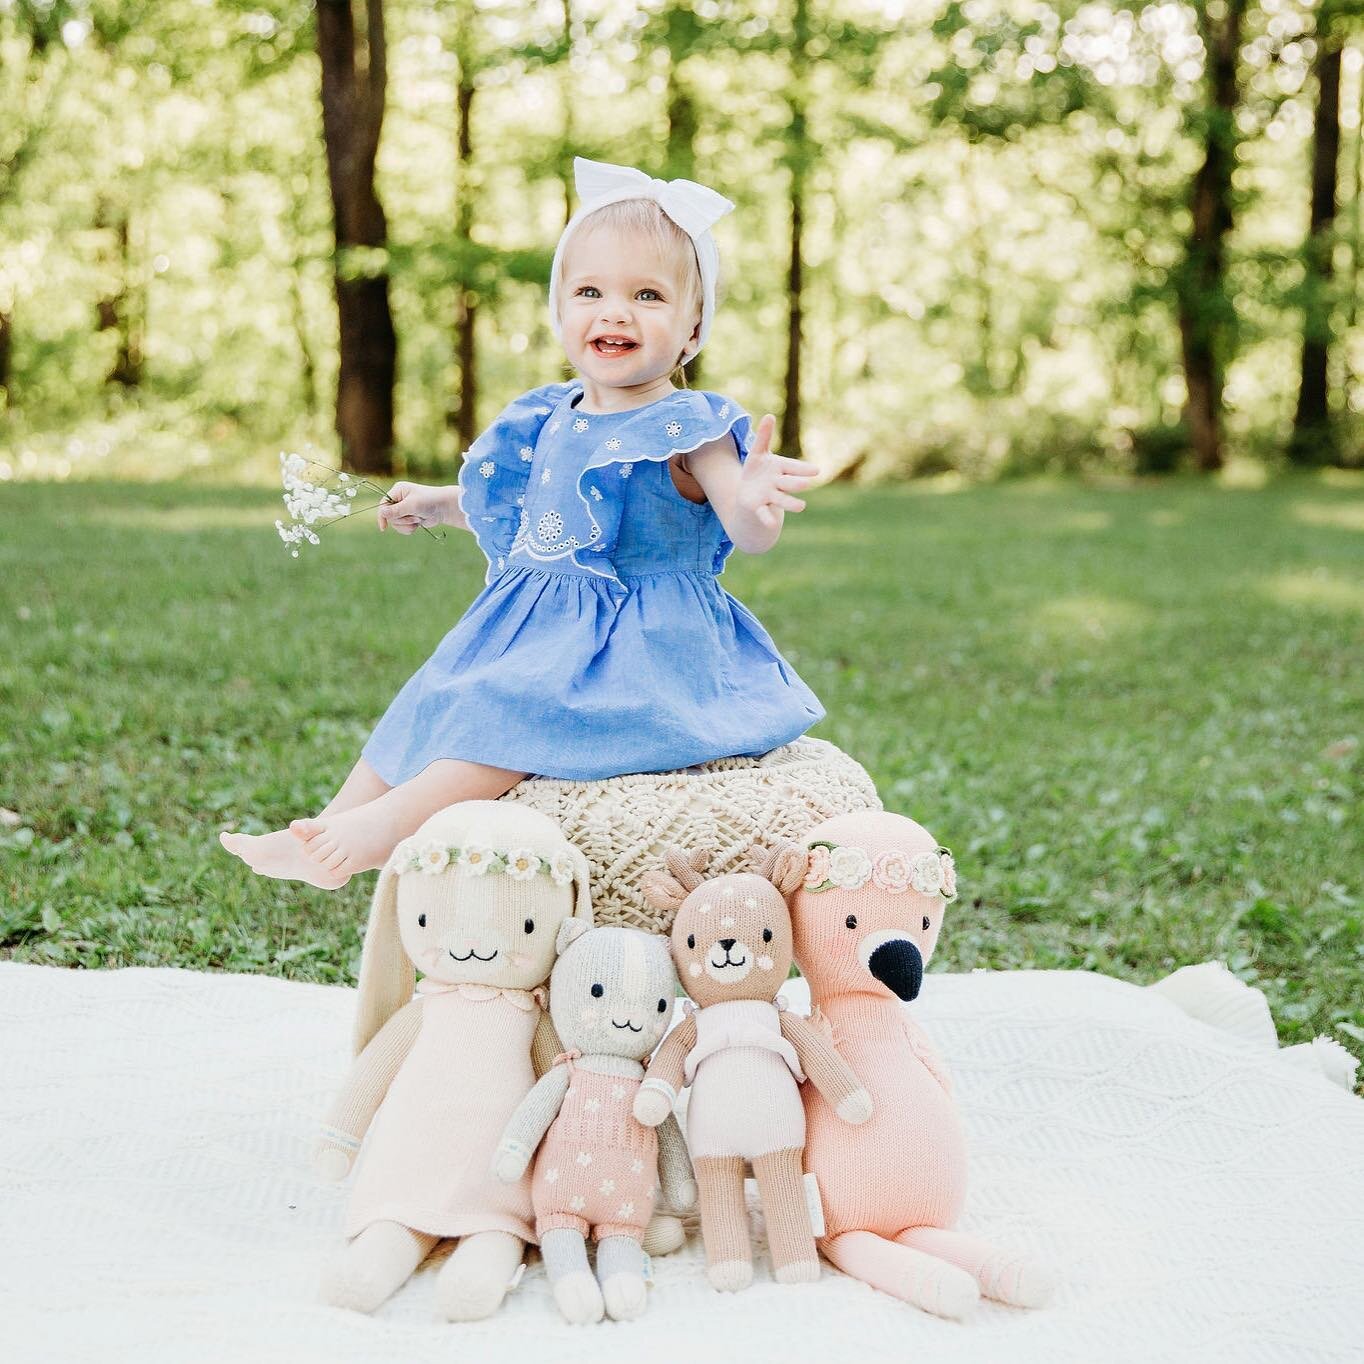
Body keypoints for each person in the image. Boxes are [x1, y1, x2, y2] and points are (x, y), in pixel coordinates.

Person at [220, 158, 824, 889]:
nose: (615, 312)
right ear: (560, 308)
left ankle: (379, 830)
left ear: (694, 324)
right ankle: (324, 827)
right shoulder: (549, 415)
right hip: (540, 625)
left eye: (648, 295)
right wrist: (436, 503)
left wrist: (756, 503)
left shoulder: (691, 427)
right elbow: (544, 514)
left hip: (637, 644)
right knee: (438, 689)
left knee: (507, 711)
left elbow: (745, 524)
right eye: (591, 291)